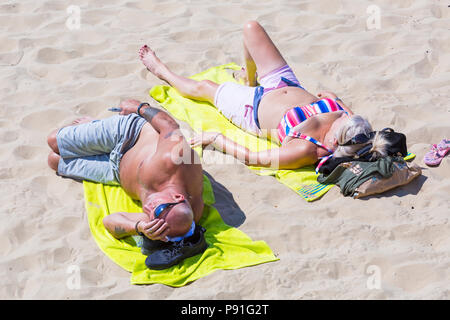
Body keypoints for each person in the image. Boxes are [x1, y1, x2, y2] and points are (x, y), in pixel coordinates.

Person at [139, 20, 389, 171]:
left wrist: (216, 138)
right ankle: (249, 77)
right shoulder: (353, 125)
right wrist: (334, 99)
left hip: (253, 108)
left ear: (335, 143)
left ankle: (162, 71)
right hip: (286, 82)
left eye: (340, 122)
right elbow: (345, 111)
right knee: (252, 28)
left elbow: (254, 159)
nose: (340, 116)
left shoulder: (306, 150)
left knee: (204, 87)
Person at [46, 99, 207, 265]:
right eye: (156, 210)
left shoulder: (167, 219)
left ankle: (92, 131)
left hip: (116, 170)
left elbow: (109, 222)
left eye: (152, 216)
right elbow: (169, 125)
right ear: (178, 197)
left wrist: (138, 227)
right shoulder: (174, 159)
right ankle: (97, 125)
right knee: (53, 141)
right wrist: (139, 108)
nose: (148, 209)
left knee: (55, 161)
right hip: (128, 134)